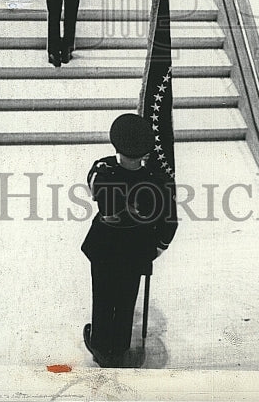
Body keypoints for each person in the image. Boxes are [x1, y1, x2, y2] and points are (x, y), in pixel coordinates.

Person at [81, 114, 178, 367]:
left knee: (102, 295)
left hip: (104, 246)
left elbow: (92, 193)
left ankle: (101, 344)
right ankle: (121, 345)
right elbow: (169, 221)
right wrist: (155, 249)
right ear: (146, 150)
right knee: (126, 297)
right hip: (136, 250)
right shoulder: (157, 181)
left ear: (116, 144)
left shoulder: (101, 170)